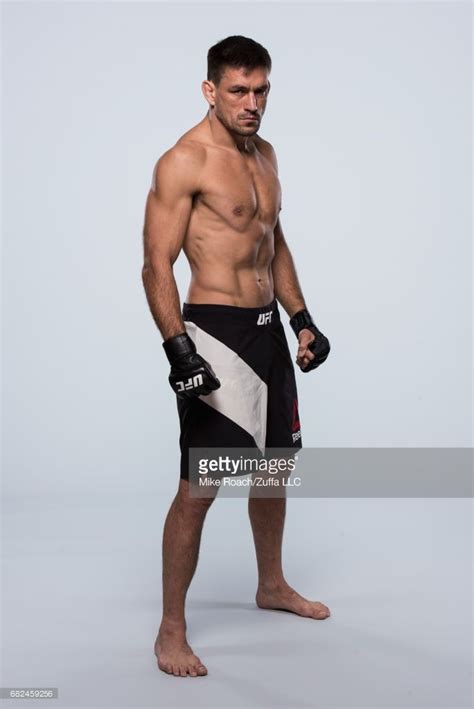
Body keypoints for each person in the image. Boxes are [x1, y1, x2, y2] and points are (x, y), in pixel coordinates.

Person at [141, 35, 331, 678]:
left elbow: (273, 243)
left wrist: (300, 319)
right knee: (200, 487)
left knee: (275, 468)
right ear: (210, 90)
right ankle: (171, 630)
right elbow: (155, 264)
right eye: (239, 90)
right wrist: (178, 348)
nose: (253, 103)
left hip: (267, 331)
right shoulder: (183, 162)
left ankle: (271, 584)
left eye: (262, 90)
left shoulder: (266, 155)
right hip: (215, 334)